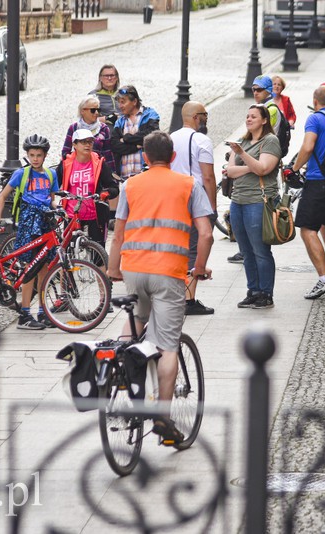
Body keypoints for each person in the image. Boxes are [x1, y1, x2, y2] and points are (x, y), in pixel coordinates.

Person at [106, 131, 213, 447]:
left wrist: (113, 269)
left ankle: (119, 366)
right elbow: (205, 234)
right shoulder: (189, 184)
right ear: (174, 157)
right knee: (167, 345)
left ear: (144, 157)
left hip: (134, 269)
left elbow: (118, 232)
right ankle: (162, 418)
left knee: (137, 318)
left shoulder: (131, 184)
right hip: (169, 272)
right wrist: (200, 268)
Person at [0, 135, 58, 330]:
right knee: (30, 268)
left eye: (39, 155)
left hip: (46, 223)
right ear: (27, 155)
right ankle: (25, 314)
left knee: (45, 267)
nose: (35, 159)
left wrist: (57, 207)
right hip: (29, 224)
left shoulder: (51, 174)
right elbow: (3, 196)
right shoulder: (22, 174)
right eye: (32, 155)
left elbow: (51, 198)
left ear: (45, 155)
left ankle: (42, 311)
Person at [289, 85, 325, 300]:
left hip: (318, 180)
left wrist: (293, 168)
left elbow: (308, 146)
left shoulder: (315, 119)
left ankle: (324, 280)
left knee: (307, 229)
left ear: (315, 101)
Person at [224, 104, 282, 309]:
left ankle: (266, 294)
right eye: (247, 116)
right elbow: (230, 172)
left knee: (260, 250)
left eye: (254, 117)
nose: (248, 120)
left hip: (258, 201)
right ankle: (253, 290)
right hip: (237, 201)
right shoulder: (242, 141)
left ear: (264, 120)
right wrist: (251, 167)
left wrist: (243, 156)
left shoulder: (270, 141)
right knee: (246, 251)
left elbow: (264, 168)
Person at [170, 101, 217, 316]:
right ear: (196, 117)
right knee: (193, 248)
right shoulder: (201, 140)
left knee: (176, 247)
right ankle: (188, 300)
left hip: (173, 199)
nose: (207, 118)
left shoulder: (170, 138)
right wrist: (212, 206)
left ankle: (175, 295)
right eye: (205, 115)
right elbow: (207, 176)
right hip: (193, 199)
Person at [56, 129, 119, 248]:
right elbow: (53, 185)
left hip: (95, 215)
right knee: (69, 254)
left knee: (98, 256)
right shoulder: (66, 163)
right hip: (71, 216)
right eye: (83, 142)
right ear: (74, 144)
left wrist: (106, 193)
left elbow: (114, 187)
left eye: (90, 142)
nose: (87, 145)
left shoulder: (99, 163)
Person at [111, 85, 160, 181]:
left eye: (123, 102)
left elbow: (152, 135)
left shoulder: (150, 114)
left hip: (146, 174)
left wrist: (126, 138)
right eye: (119, 102)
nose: (120, 106)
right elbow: (115, 145)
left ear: (134, 101)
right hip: (125, 177)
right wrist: (135, 146)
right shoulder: (119, 121)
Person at [61, 95, 115, 168]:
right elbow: (65, 152)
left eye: (98, 110)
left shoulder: (104, 128)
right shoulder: (74, 128)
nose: (96, 113)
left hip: (98, 169)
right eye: (93, 110)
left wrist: (112, 173)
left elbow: (108, 154)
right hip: (78, 168)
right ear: (82, 111)